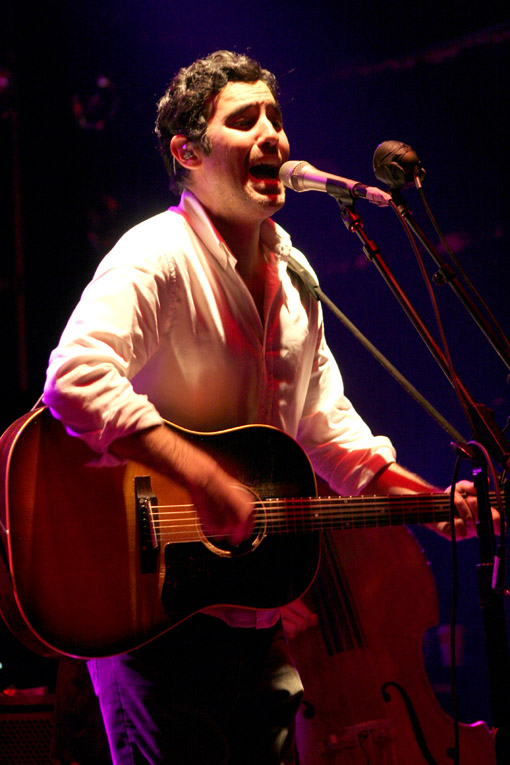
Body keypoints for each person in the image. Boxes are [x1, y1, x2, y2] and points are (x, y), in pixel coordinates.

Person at [43, 50, 482, 764]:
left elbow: (331, 439)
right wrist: (204, 477)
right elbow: (75, 378)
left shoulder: (296, 273)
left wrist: (439, 505)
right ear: (187, 151)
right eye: (244, 119)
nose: (272, 133)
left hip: (265, 617)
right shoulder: (154, 256)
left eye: (275, 117)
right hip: (151, 614)